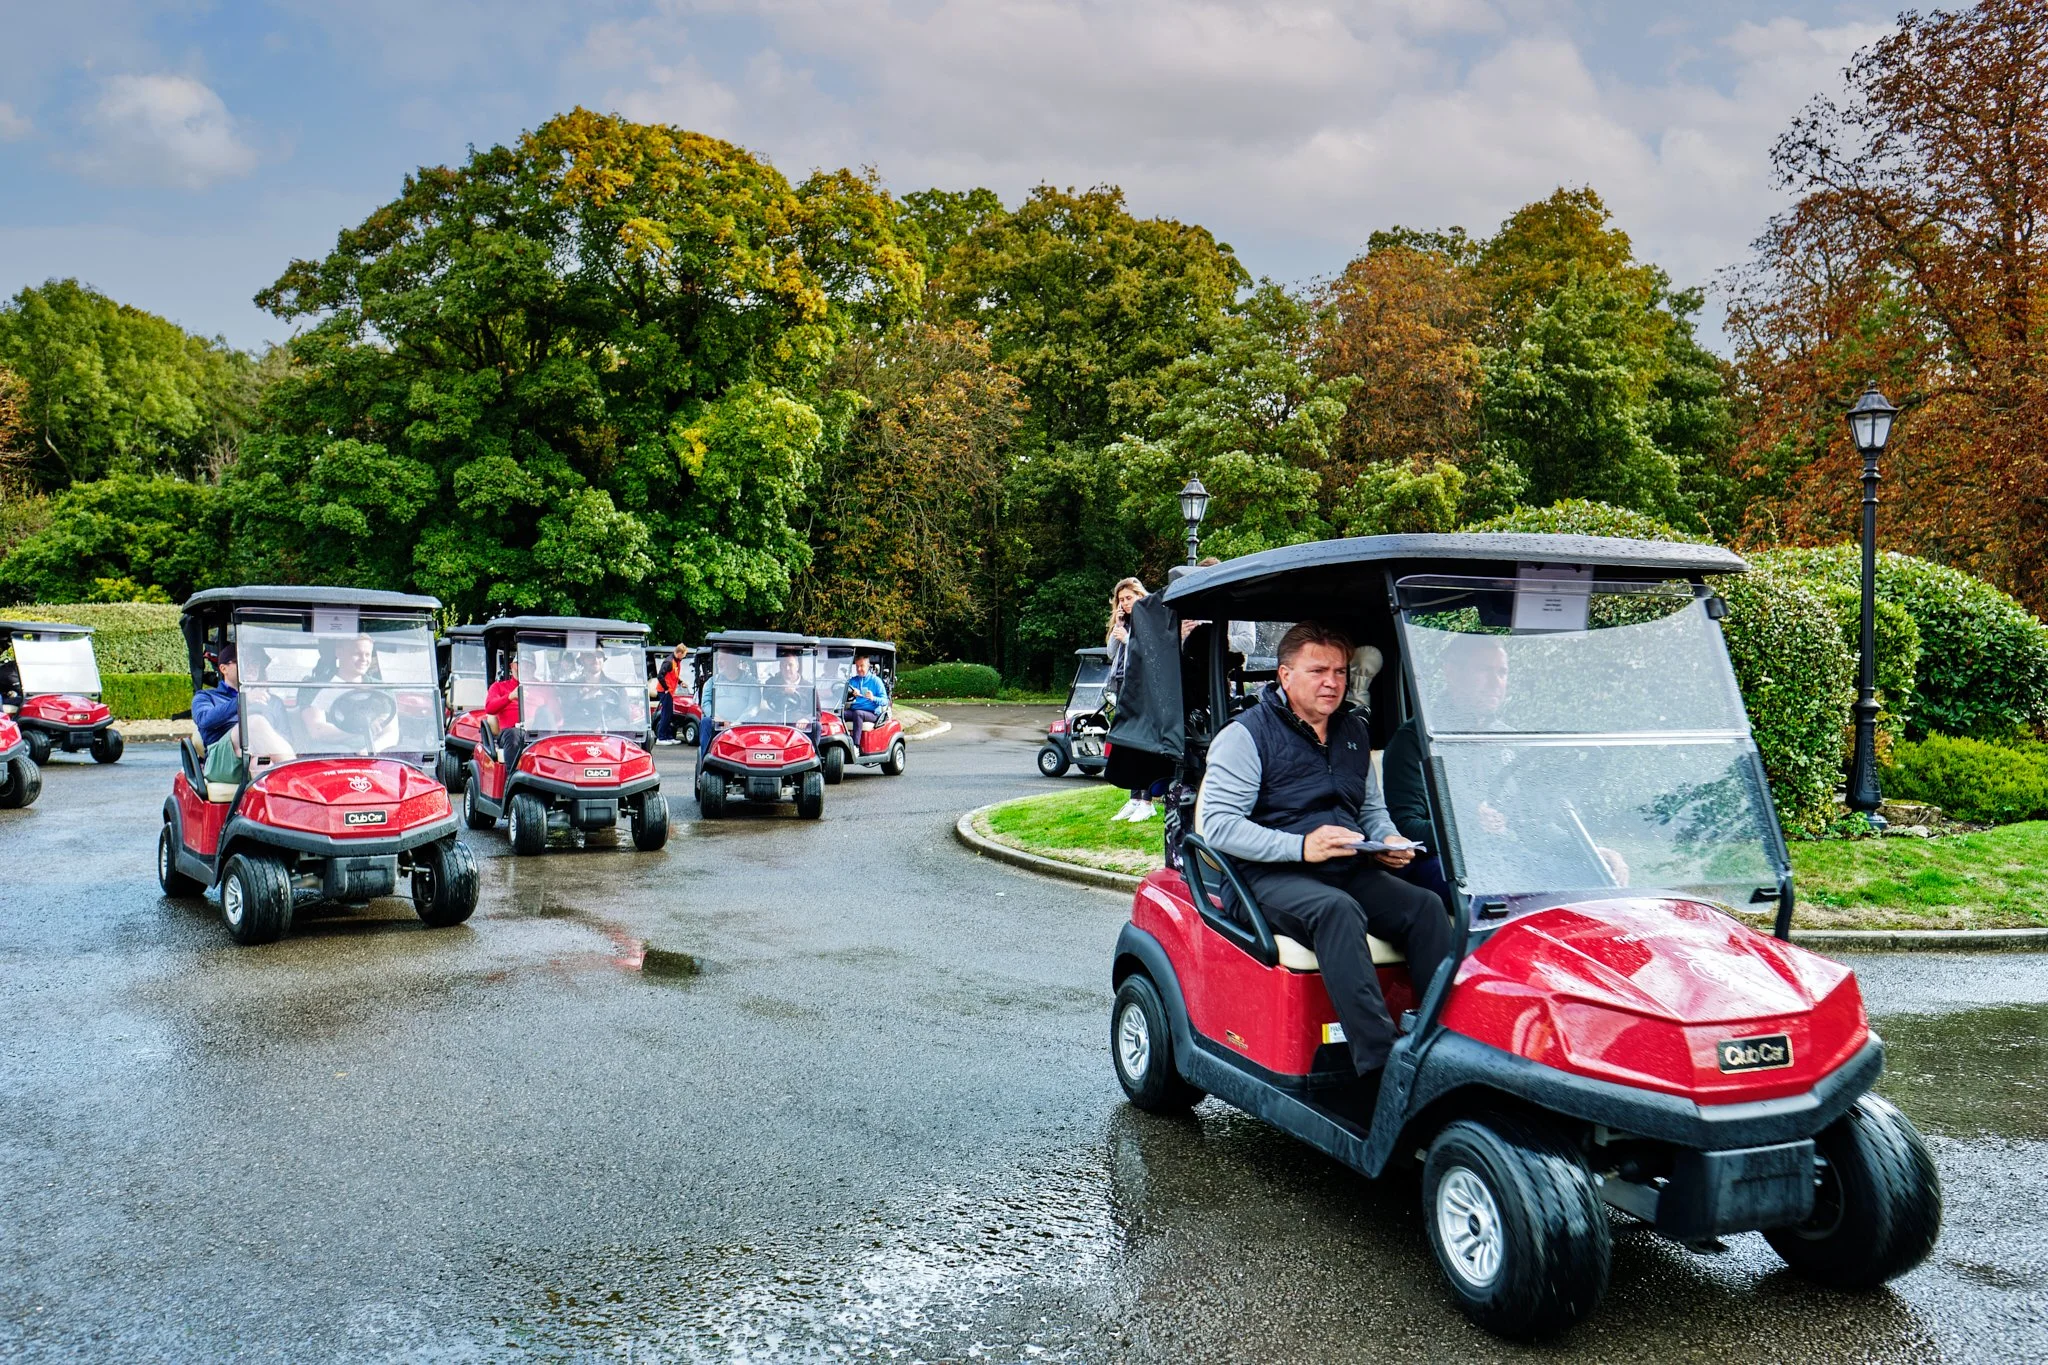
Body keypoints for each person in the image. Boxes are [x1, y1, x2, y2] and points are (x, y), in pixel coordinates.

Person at [1197, 620, 1449, 1097]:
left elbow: (1371, 811)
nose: (1332, 681)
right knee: (1338, 912)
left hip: (1342, 865)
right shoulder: (1247, 735)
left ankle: (1442, 1043)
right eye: (1318, 671)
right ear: (1285, 676)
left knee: (1425, 907)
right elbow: (1219, 827)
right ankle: (1380, 1068)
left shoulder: (1352, 730)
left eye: (1339, 671)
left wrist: (1389, 840)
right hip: (1264, 874)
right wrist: (1300, 846)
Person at [1104, 576, 1155, 822]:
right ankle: (1134, 798)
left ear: (1140, 596)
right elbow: (1111, 653)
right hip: (1123, 684)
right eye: (1120, 600)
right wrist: (1118, 628)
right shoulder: (1124, 621)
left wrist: (1129, 639)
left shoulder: (1151, 618)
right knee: (1128, 742)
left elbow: (1154, 652)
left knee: (1142, 741)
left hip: (1142, 686)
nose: (1124, 603)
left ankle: (1147, 800)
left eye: (1128, 598)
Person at [193, 644, 240, 747]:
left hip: (263, 753)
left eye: (254, 663)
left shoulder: (266, 697)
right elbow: (204, 720)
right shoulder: (205, 697)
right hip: (222, 754)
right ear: (223, 669)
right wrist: (242, 701)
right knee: (255, 722)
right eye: (241, 662)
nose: (250, 667)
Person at [843, 654, 889, 748]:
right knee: (839, 714)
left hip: (872, 713)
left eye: (862, 666)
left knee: (858, 713)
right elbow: (843, 694)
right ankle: (839, 743)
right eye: (857, 666)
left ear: (868, 666)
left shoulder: (876, 681)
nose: (859, 669)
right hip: (855, 711)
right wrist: (851, 693)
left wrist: (873, 698)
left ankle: (856, 745)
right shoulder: (853, 681)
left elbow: (885, 701)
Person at [655, 645, 689, 744]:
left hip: (669, 691)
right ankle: (661, 738)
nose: (683, 657)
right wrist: (666, 688)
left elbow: (673, 676)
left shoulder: (676, 662)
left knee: (669, 714)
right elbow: (660, 676)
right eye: (684, 655)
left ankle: (669, 736)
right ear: (679, 653)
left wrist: (680, 682)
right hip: (665, 691)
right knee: (666, 714)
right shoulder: (669, 662)